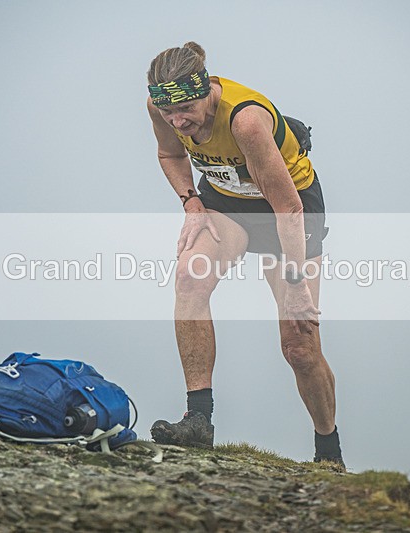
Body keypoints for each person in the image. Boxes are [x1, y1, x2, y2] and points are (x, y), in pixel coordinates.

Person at [145, 42, 344, 467]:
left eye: (187, 112)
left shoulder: (245, 120)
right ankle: (198, 419)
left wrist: (294, 283)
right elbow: (170, 153)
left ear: (206, 93)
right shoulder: (160, 105)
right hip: (228, 202)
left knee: (300, 347)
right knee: (189, 277)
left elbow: (287, 208)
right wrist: (192, 204)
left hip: (289, 209)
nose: (178, 121)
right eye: (168, 114)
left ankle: (329, 451)